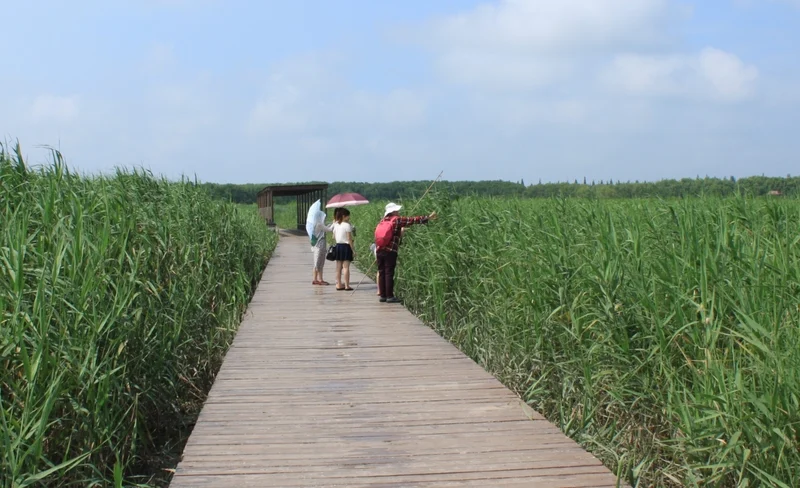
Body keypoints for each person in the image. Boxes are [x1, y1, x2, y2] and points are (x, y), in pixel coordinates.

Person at [375, 202, 436, 303]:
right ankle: (389, 296)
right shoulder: (397, 220)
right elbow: (412, 220)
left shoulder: (382, 221)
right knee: (389, 273)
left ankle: (383, 295)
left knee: (382, 272)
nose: (398, 211)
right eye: (397, 210)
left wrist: (400, 231)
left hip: (379, 250)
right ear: (393, 211)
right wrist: (427, 218)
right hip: (390, 251)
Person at [331, 207, 355, 291]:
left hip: (338, 246)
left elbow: (333, 237)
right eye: (348, 216)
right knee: (346, 267)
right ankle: (347, 285)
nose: (349, 217)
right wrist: (353, 250)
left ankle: (338, 284)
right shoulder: (347, 225)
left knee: (338, 267)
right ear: (344, 216)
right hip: (346, 246)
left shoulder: (336, 224)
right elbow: (349, 239)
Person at [310, 210, 333, 285]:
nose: (324, 218)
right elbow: (329, 230)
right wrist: (334, 223)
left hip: (317, 245)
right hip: (320, 245)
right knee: (318, 262)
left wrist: (330, 224)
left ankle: (319, 279)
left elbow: (325, 228)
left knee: (318, 262)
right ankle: (316, 279)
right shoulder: (319, 224)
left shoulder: (314, 224)